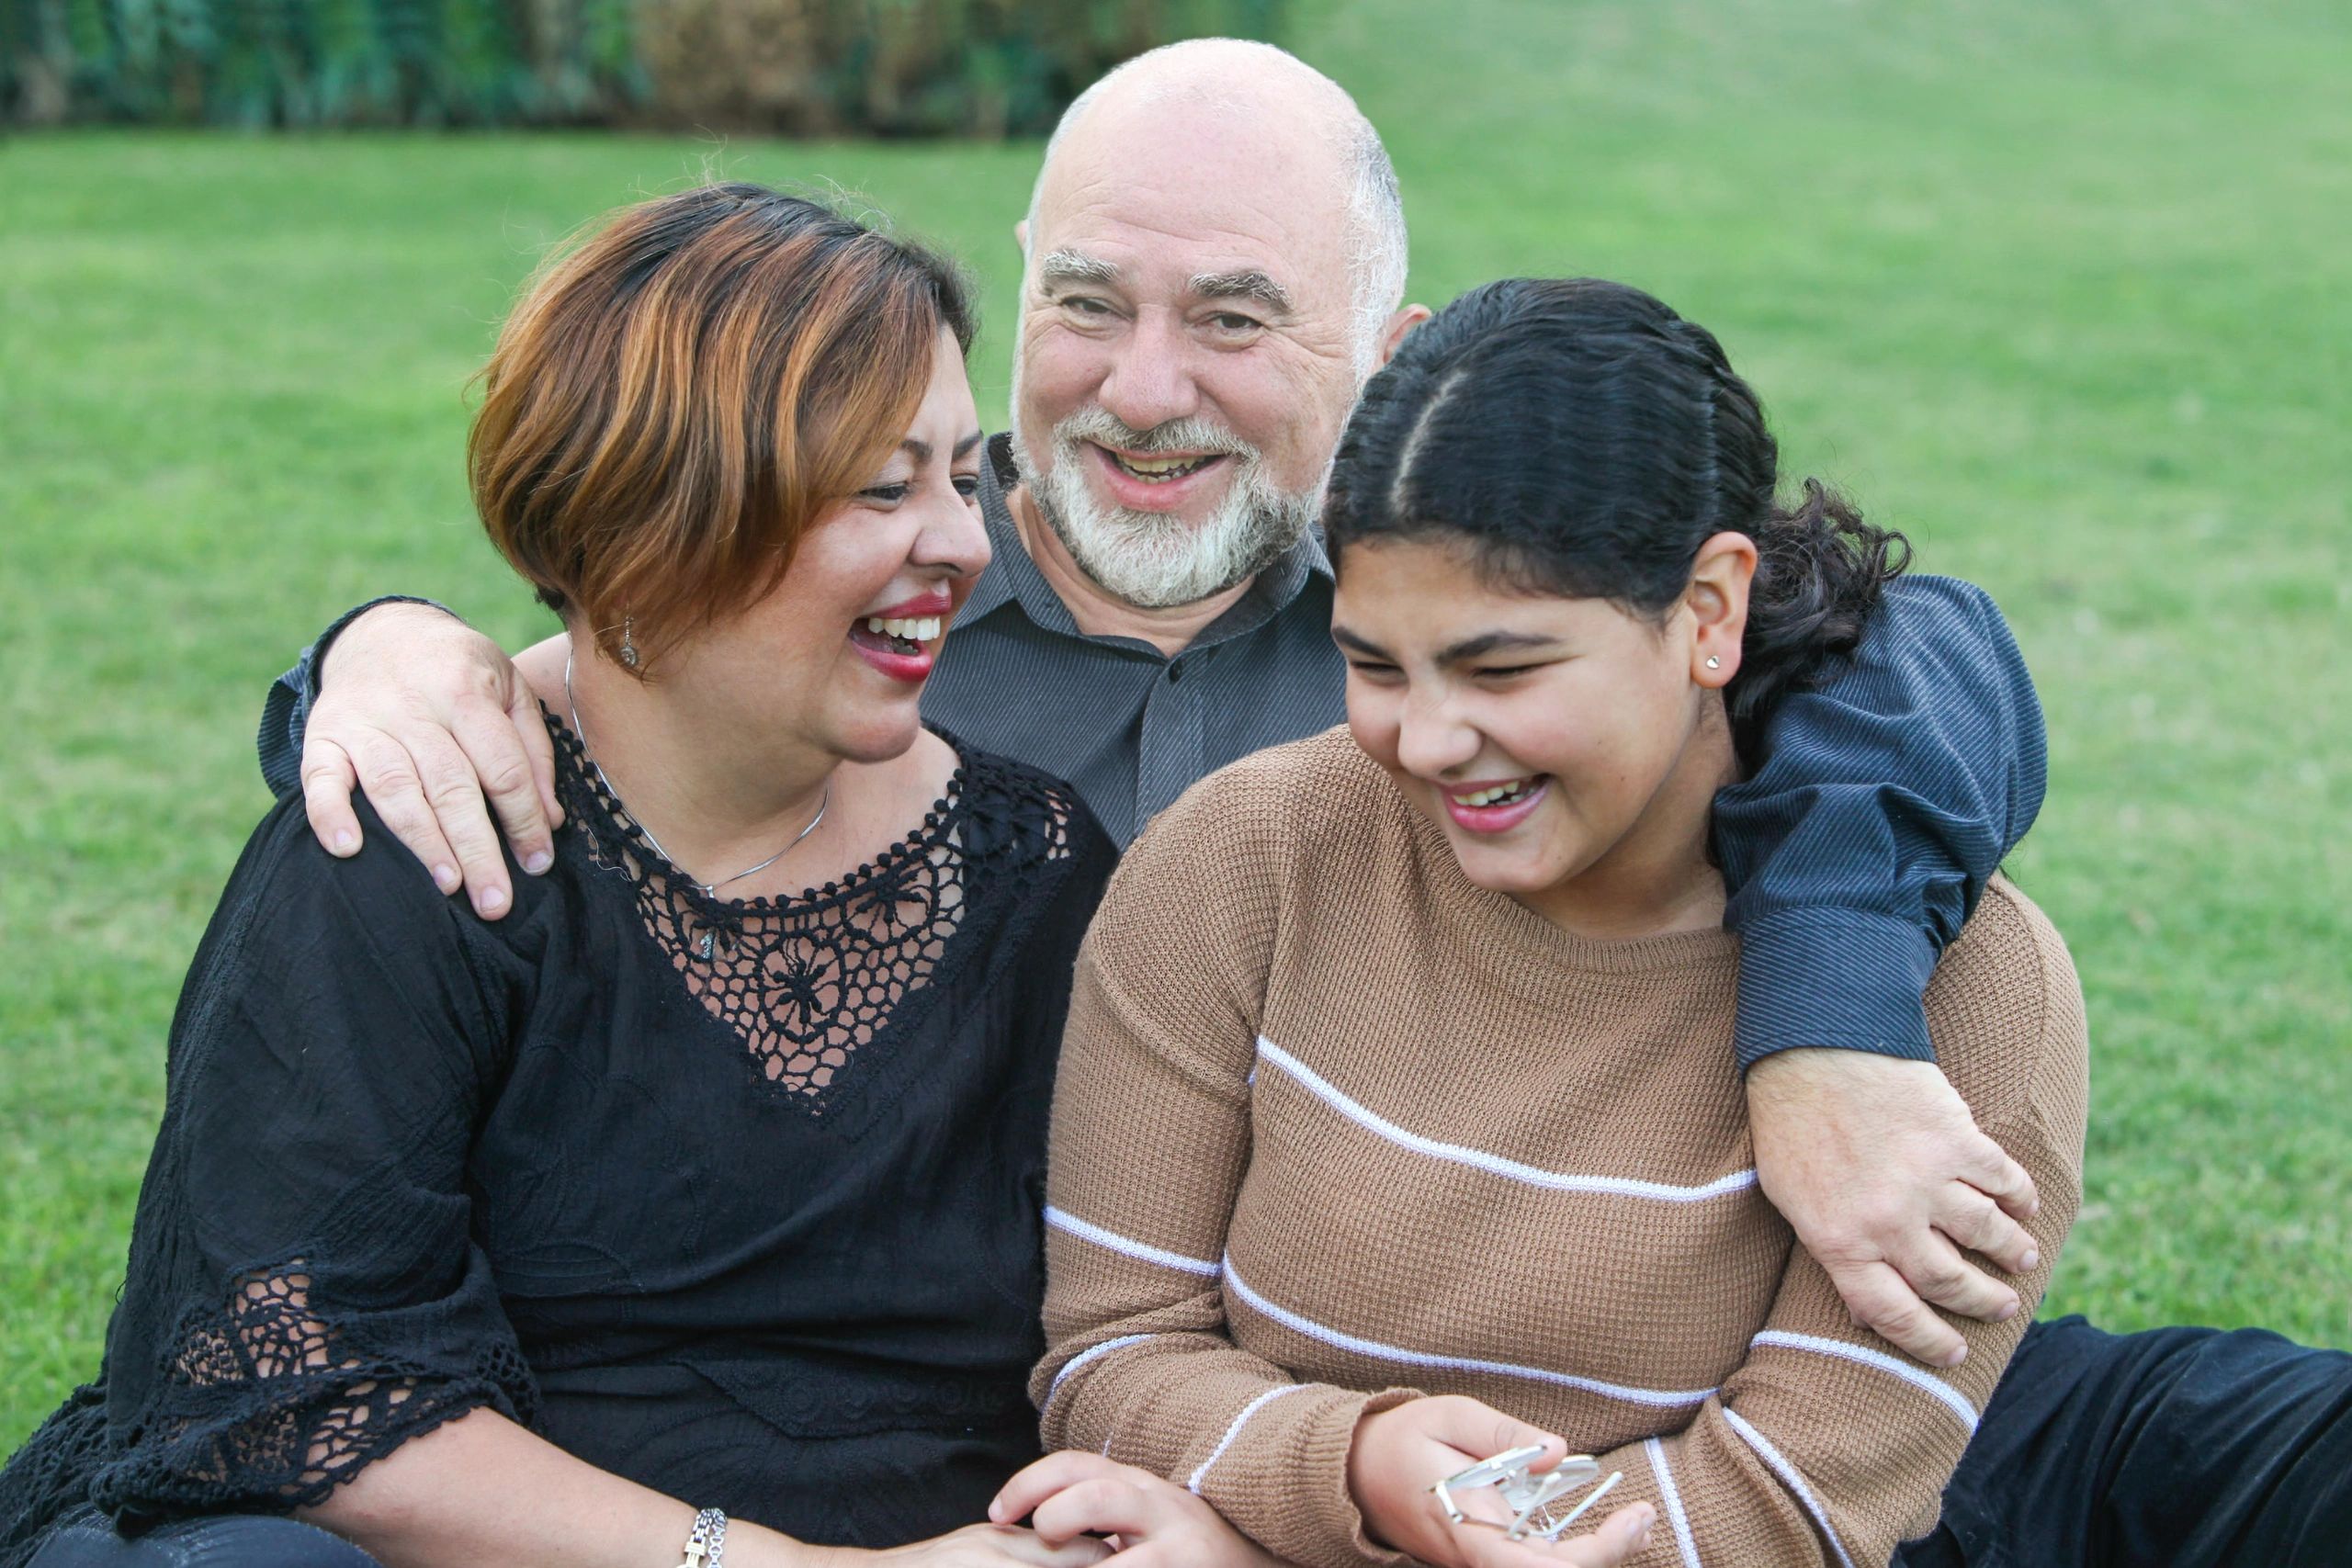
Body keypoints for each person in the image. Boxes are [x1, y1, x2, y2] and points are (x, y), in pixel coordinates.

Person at [251, 39, 2051, 1373]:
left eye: (1236, 320)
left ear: (1395, 357)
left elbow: (1908, 643)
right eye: (1088, 302)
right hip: (941, 1363)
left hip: (1443, 1362)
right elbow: (599, 685)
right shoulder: (872, 597)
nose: (1140, 388)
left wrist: (1828, 1020)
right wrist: (381, 652)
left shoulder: (1447, 623)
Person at [1003, 278, 2352, 1568]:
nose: (1427, 739)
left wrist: (1287, 1541)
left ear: (1709, 610)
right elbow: (1115, 1353)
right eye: (1372, 664)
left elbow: (1783, 1518)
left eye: (1503, 667)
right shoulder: (1247, 860)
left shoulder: (1976, 994)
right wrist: (1357, 1470)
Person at [0, 186, 1129, 1568]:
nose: (962, 543)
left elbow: (1142, 1319)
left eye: (960, 477)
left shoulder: (1032, 867)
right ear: (657, 521)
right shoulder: (421, 843)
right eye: (884, 488)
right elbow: (298, 1388)